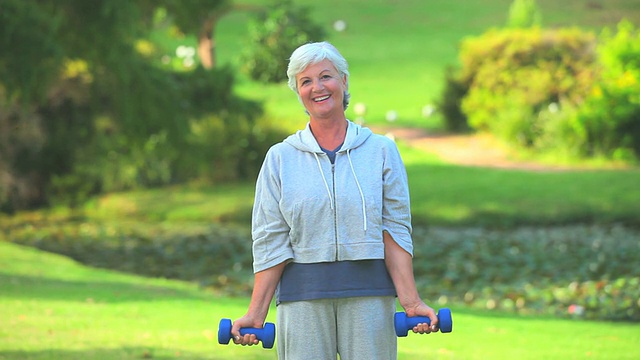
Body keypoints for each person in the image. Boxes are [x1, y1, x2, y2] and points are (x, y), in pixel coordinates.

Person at [231, 41, 439, 360]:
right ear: (298, 92)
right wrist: (256, 313)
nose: (317, 87)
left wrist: (411, 302)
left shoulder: (381, 151)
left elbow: (394, 230)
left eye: (325, 76)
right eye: (306, 81)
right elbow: (270, 239)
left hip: (370, 297)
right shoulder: (280, 158)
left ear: (344, 81)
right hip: (302, 300)